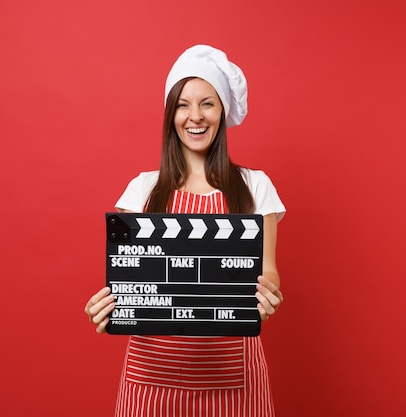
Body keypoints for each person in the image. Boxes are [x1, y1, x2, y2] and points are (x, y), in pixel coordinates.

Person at [84, 44, 286, 417]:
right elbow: (128, 279)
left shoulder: (254, 186)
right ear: (170, 114)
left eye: (207, 103)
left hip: (232, 380)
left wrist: (265, 294)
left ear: (223, 110)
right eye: (182, 104)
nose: (195, 116)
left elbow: (268, 270)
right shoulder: (141, 190)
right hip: (150, 379)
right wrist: (109, 305)